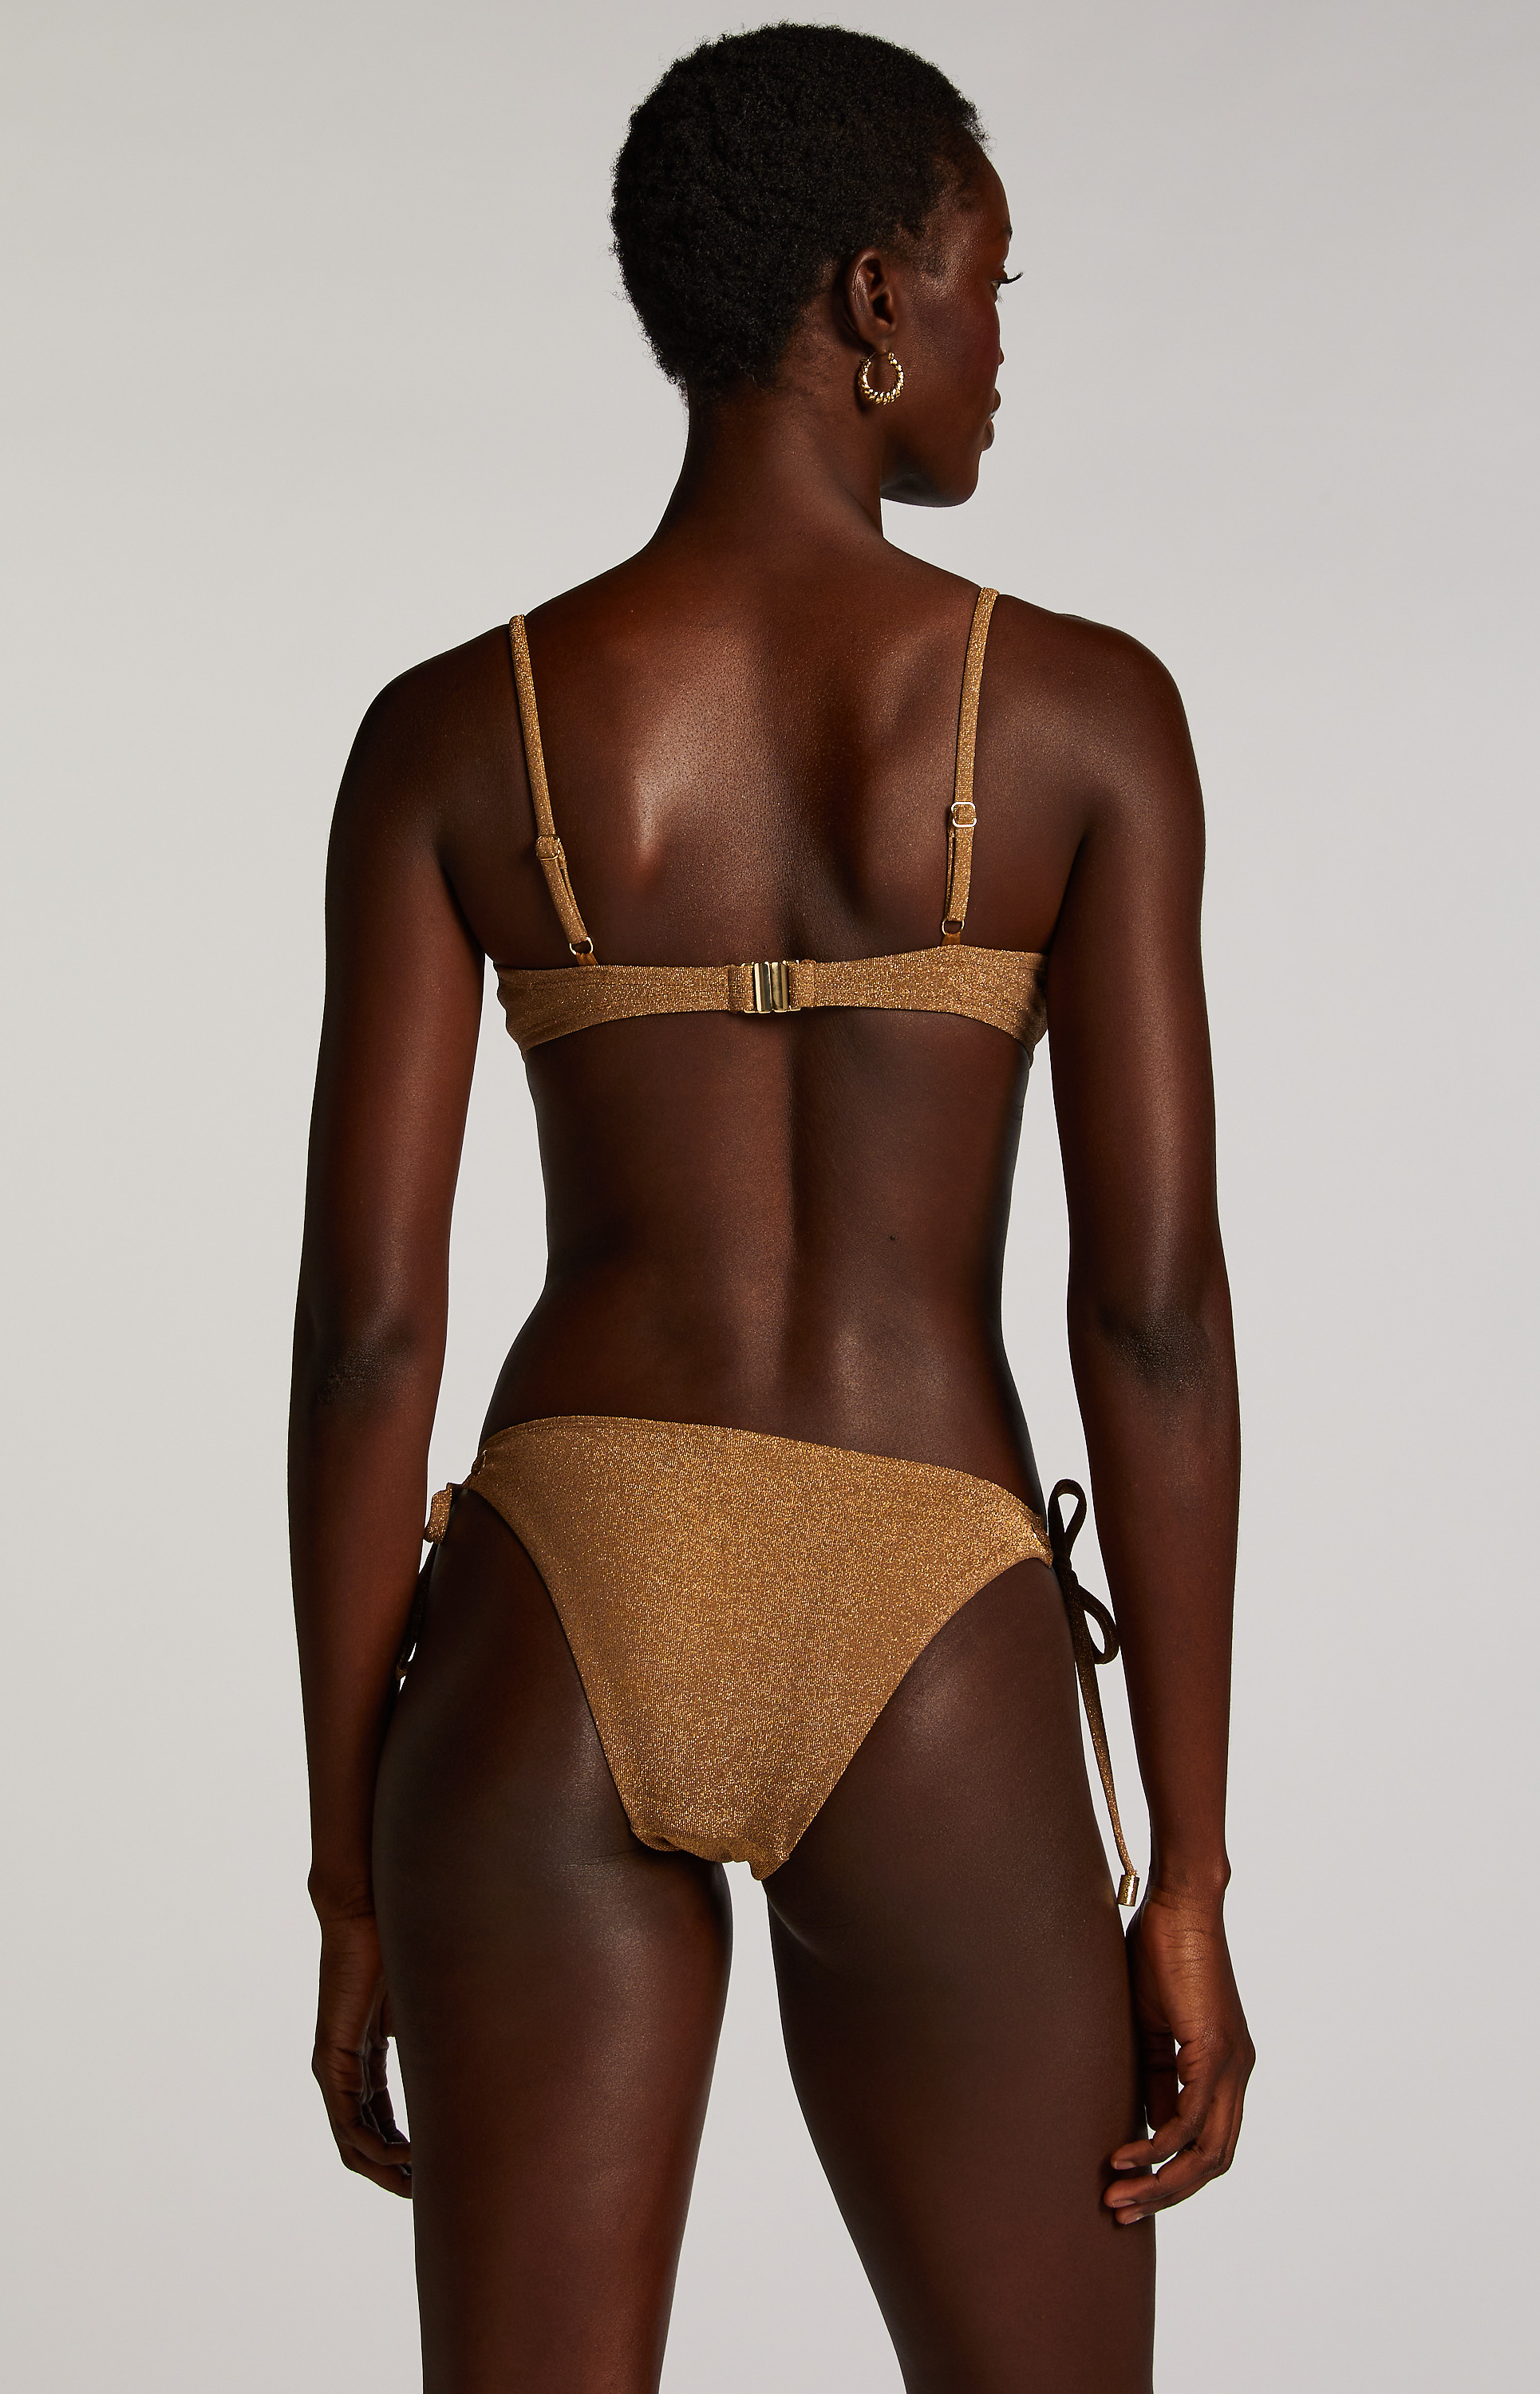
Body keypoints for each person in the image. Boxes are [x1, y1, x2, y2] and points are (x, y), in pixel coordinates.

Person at [289, 24, 1250, 2391]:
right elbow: (1147, 1322)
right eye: (988, 279)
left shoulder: (456, 731)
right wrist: (1189, 1874)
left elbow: (369, 1343)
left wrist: (348, 1875)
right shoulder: (1081, 717)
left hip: (554, 1595)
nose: (1003, 341)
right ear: (872, 297)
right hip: (922, 1594)